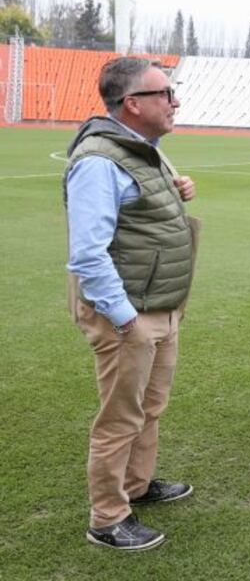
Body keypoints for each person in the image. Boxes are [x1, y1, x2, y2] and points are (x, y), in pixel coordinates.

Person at [65, 57, 197, 551]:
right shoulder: (100, 161)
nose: (174, 101)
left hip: (158, 304)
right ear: (133, 104)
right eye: (164, 93)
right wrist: (125, 320)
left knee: (150, 407)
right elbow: (87, 253)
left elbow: (142, 213)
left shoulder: (144, 150)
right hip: (128, 314)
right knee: (120, 417)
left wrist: (179, 189)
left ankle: (137, 486)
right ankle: (107, 517)